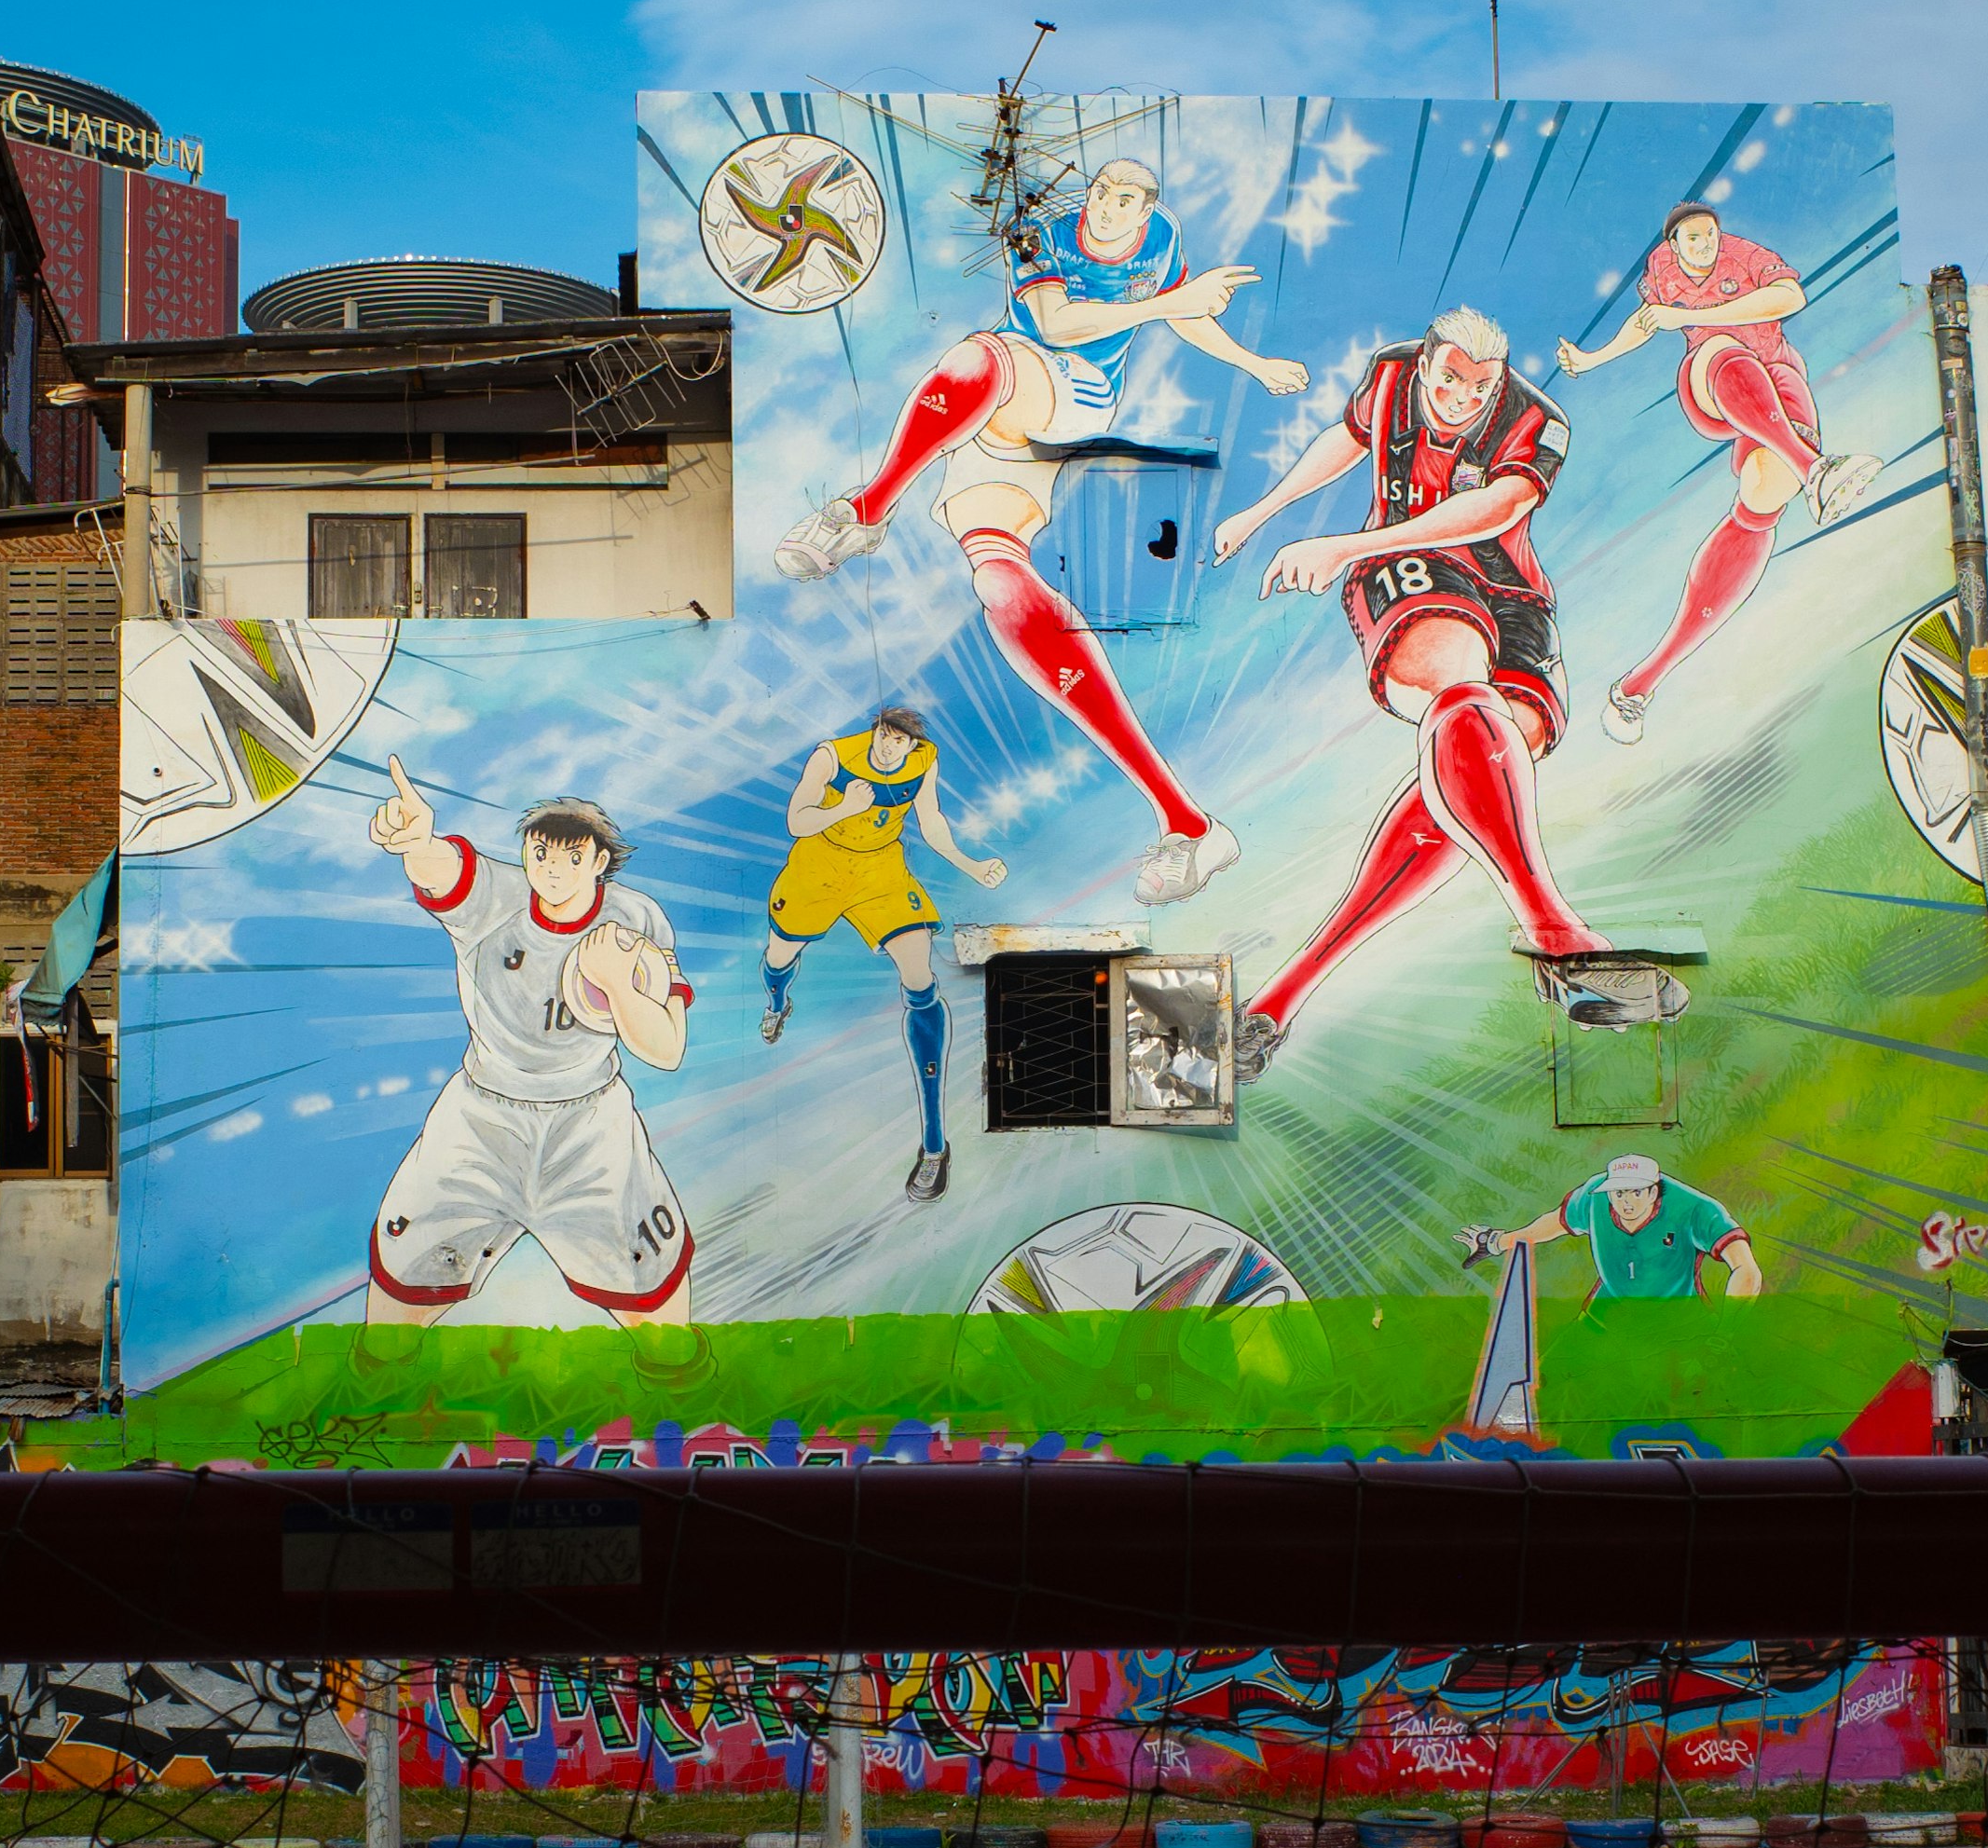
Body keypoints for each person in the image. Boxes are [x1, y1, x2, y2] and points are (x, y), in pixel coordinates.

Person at [771, 154, 1304, 908]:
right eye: (1103, 194)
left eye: (1127, 200)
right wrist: (1165, 305)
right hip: (990, 420)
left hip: (1069, 393)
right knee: (1000, 584)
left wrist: (1253, 363)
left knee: (982, 356)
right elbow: (1057, 317)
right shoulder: (1036, 235)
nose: (1110, 209)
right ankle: (1189, 821)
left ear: (1148, 207)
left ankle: (864, 512)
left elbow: (1181, 311)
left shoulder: (1161, 239)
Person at [1213, 307, 1683, 1070]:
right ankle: (1558, 935)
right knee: (1463, 698)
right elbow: (1348, 437)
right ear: (1428, 362)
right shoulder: (1391, 373)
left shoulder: (1537, 420)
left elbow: (1494, 508)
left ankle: (1276, 1001)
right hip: (1405, 572)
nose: (1464, 400)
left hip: (1512, 594)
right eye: (1451, 381)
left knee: (1477, 780)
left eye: (1481, 387)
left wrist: (1340, 542)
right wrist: (1265, 512)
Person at [363, 775, 697, 1326]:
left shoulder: (636, 921)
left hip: (591, 1119)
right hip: (483, 1114)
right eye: (540, 852)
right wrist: (418, 845)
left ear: (599, 861)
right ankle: (370, 1388)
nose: (551, 867)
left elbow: (666, 1048)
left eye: (571, 855)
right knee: (408, 1274)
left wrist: (617, 984)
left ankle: (685, 1393)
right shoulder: (496, 899)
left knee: (652, 1294)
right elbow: (447, 872)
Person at [1556, 199, 1865, 741]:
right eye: (1692, 238)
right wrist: (1592, 359)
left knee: (1765, 498)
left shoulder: (1744, 256)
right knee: (1721, 345)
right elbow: (1648, 322)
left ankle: (1639, 685)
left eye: (1710, 234)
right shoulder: (1662, 271)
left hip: (1780, 377)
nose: (1705, 245)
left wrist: (1689, 315)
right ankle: (1816, 469)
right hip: (1715, 381)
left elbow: (1791, 296)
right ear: (1674, 244)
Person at [761, 705, 1005, 1200]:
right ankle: (776, 1003)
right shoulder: (833, 758)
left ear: (912, 746)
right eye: (884, 734)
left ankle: (934, 1147)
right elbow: (796, 820)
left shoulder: (923, 762)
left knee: (920, 979)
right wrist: (844, 809)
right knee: (779, 956)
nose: (888, 745)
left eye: (899, 740)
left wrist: (969, 865)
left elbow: (931, 821)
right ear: (874, 731)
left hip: (879, 872)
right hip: (819, 866)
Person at [1467, 1155, 1760, 1302]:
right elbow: (1555, 1222)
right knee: (1553, 1378)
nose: (1626, 1203)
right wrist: (1495, 1242)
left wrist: (1724, 1333)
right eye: (1619, 1193)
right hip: (1609, 1309)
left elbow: (1746, 1269)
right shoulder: (1593, 1197)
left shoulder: (1695, 1209)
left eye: (1636, 1192)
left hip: (1676, 1319)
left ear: (1654, 1191)